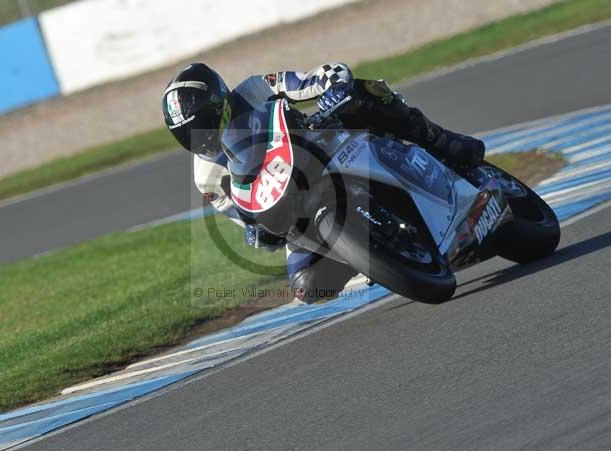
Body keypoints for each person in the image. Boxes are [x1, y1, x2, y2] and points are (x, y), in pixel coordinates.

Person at [162, 62, 485, 303]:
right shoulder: (205, 177)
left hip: (326, 146)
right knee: (307, 285)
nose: (200, 137)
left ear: (223, 102)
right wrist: (257, 231)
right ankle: (378, 253)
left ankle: (439, 140)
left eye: (204, 123)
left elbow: (319, 77)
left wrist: (332, 89)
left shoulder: (254, 89)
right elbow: (243, 214)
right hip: (294, 203)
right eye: (187, 133)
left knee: (364, 94)